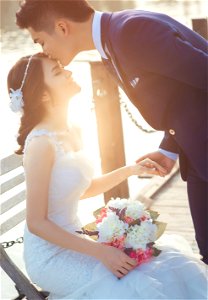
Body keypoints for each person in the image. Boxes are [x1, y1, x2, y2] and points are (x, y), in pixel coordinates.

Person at [16, 0, 208, 264]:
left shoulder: (131, 31)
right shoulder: (114, 38)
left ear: (61, 27)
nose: (44, 52)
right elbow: (182, 93)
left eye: (40, 41)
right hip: (195, 154)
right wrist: (169, 147)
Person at [7, 53, 207, 299]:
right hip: (52, 257)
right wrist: (102, 252)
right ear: (44, 94)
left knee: (165, 264)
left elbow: (82, 189)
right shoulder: (40, 143)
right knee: (135, 282)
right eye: (58, 73)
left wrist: (132, 170)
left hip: (79, 241)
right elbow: (36, 223)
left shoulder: (72, 129)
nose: (68, 72)